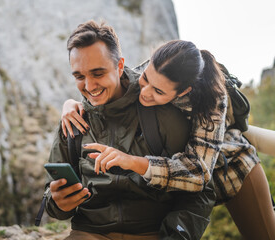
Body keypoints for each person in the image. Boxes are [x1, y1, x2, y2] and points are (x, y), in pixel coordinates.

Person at [61, 40, 275, 239]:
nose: (144, 92)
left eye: (158, 91)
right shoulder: (148, 71)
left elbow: (198, 173)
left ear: (184, 91)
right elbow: (112, 87)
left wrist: (132, 161)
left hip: (228, 166)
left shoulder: (212, 101)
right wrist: (72, 104)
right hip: (171, 175)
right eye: (145, 79)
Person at [45, 20, 215, 240]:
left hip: (152, 233)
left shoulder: (162, 113)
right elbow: (50, 199)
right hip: (89, 233)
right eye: (79, 76)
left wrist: (177, 235)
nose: (88, 86)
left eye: (98, 73)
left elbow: (198, 188)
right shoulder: (72, 121)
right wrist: (57, 202)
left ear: (119, 65)